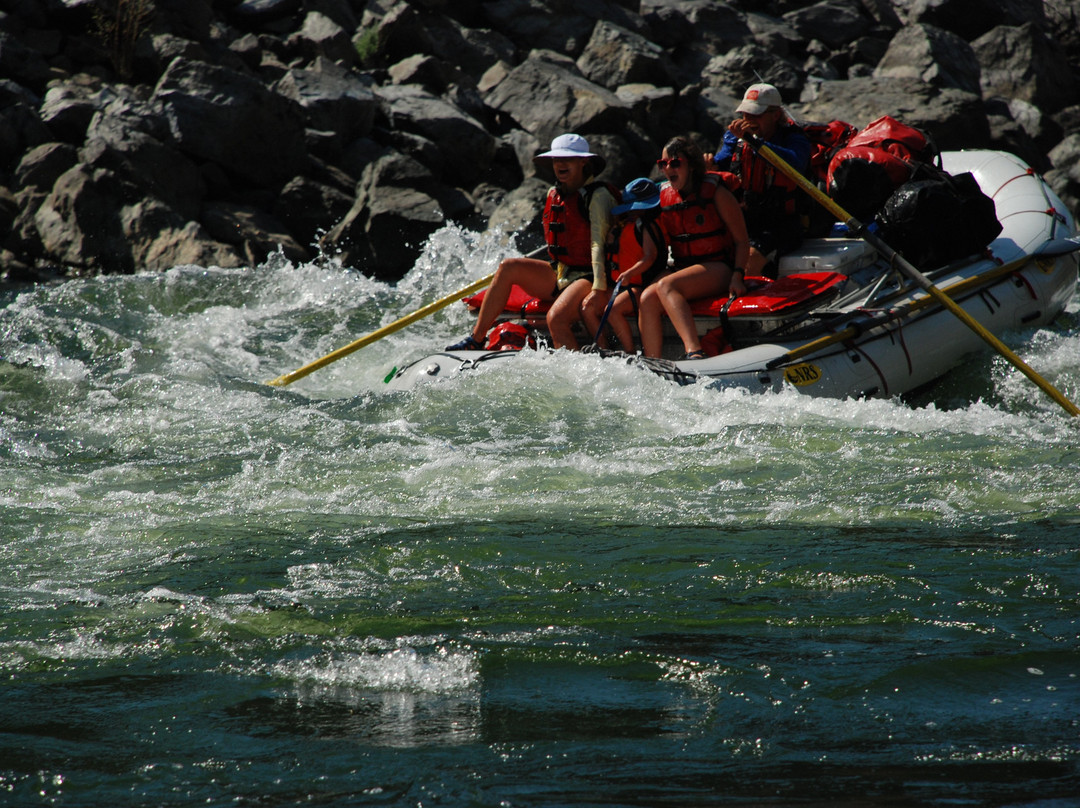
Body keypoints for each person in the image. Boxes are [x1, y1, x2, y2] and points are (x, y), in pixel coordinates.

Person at [446, 133, 617, 351]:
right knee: (509, 267)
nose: (560, 164)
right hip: (561, 272)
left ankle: (574, 372)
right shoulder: (553, 193)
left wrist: (598, 288)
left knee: (556, 318)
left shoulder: (598, 196)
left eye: (568, 159)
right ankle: (476, 339)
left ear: (584, 161)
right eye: (556, 160)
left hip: (590, 276)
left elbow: (597, 245)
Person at [638, 136, 750, 359]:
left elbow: (742, 241)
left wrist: (737, 276)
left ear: (691, 164)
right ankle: (653, 362)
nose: (668, 168)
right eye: (663, 164)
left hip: (719, 268)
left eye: (675, 163)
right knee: (646, 298)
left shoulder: (717, 193)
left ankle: (695, 353)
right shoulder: (664, 196)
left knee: (666, 286)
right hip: (685, 269)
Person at [708, 83, 811, 278]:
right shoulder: (735, 136)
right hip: (746, 219)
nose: (749, 120)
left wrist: (754, 142)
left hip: (782, 223)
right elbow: (721, 162)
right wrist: (710, 165)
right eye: (746, 114)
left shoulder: (794, 138)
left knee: (749, 258)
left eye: (756, 115)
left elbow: (795, 163)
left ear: (776, 115)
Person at [584, 177, 667, 353]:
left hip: (642, 286)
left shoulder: (647, 226)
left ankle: (629, 352)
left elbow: (650, 257)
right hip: (626, 285)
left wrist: (629, 273)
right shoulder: (630, 225)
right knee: (589, 307)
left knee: (612, 310)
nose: (630, 213)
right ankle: (604, 348)